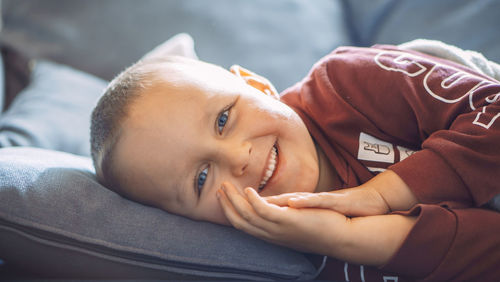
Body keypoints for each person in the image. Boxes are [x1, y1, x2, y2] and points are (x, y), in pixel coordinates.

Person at [90, 43, 500, 281]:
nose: (238, 158)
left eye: (223, 119)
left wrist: (382, 195)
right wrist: (347, 239)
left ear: (255, 84)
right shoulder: (293, 263)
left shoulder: (345, 85)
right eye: (201, 178)